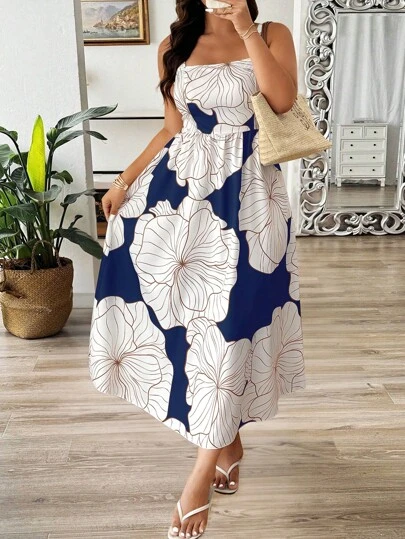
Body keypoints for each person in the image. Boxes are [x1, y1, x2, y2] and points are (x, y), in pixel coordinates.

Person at [88, 1, 306, 537]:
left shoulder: (271, 33)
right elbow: (172, 128)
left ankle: (200, 475)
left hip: (249, 202)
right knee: (194, 327)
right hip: (180, 197)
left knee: (232, 327)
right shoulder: (173, 46)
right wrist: (123, 182)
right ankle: (227, 443)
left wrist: (245, 28)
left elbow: (282, 101)